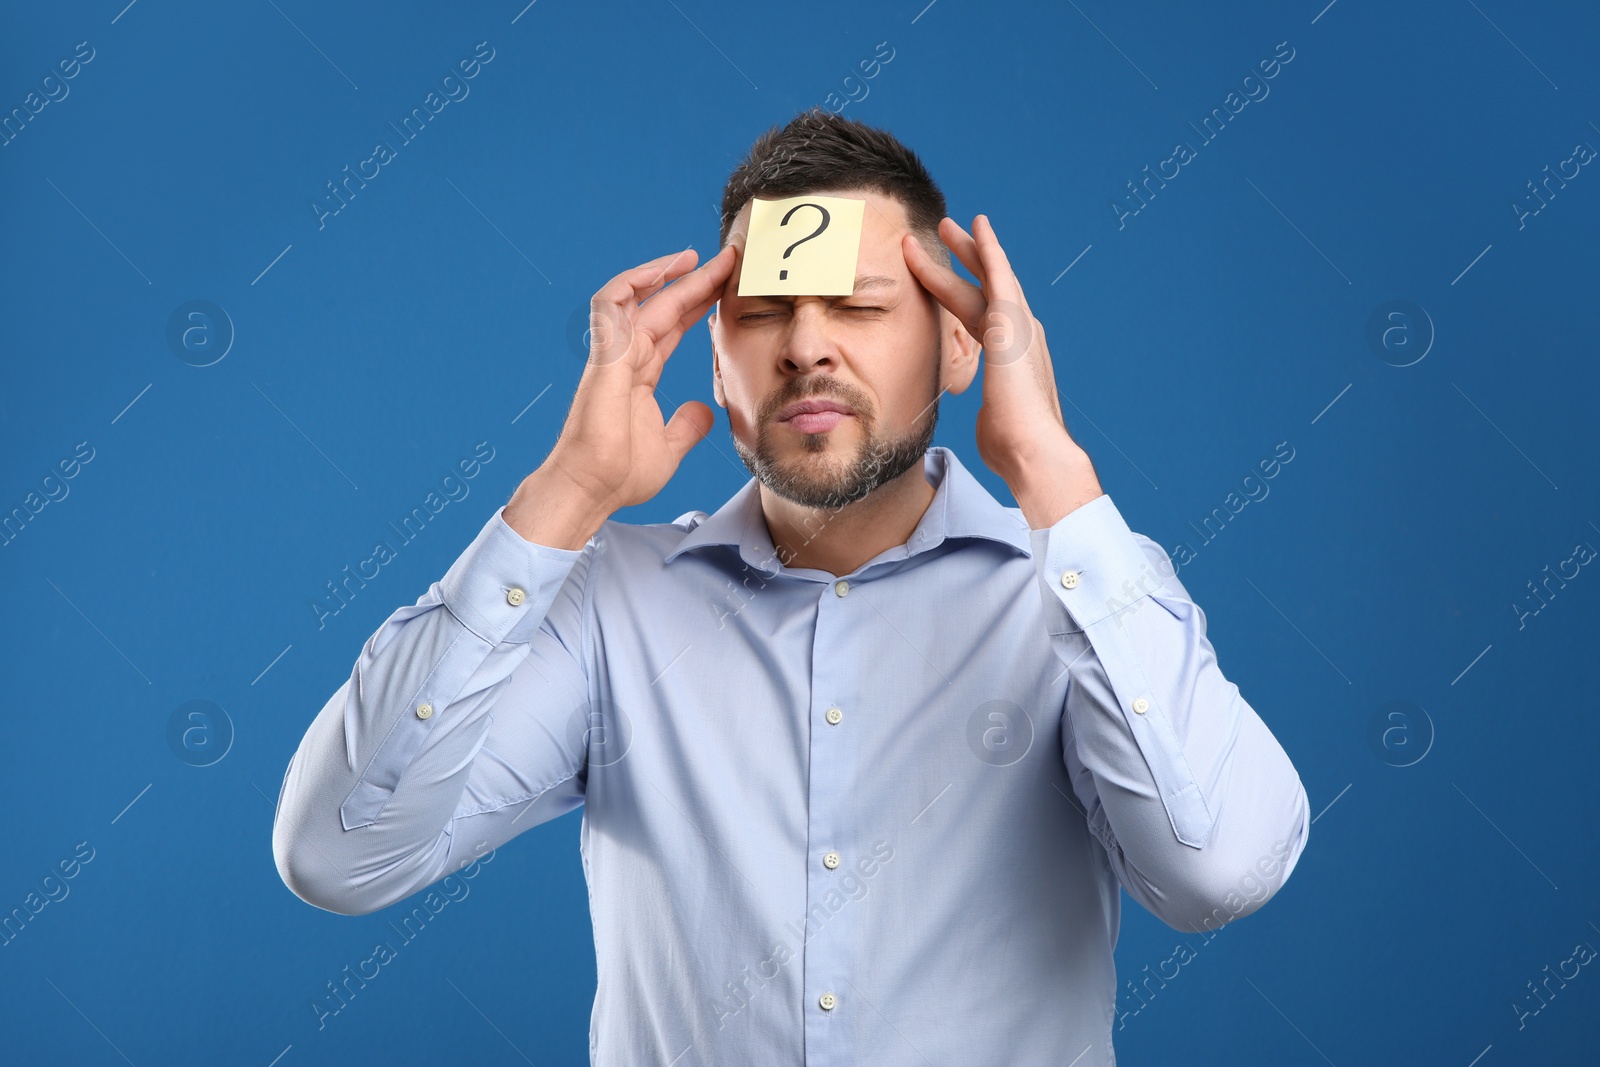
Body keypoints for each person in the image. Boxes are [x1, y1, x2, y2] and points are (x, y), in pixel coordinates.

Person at [272, 108, 1310, 1066]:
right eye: (764, 310)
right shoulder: (607, 603)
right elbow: (337, 854)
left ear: (962, 339)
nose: (807, 344)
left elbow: (1215, 872)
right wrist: (567, 491)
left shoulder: (1086, 600)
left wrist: (1051, 475)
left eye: (858, 304)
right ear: (714, 355)